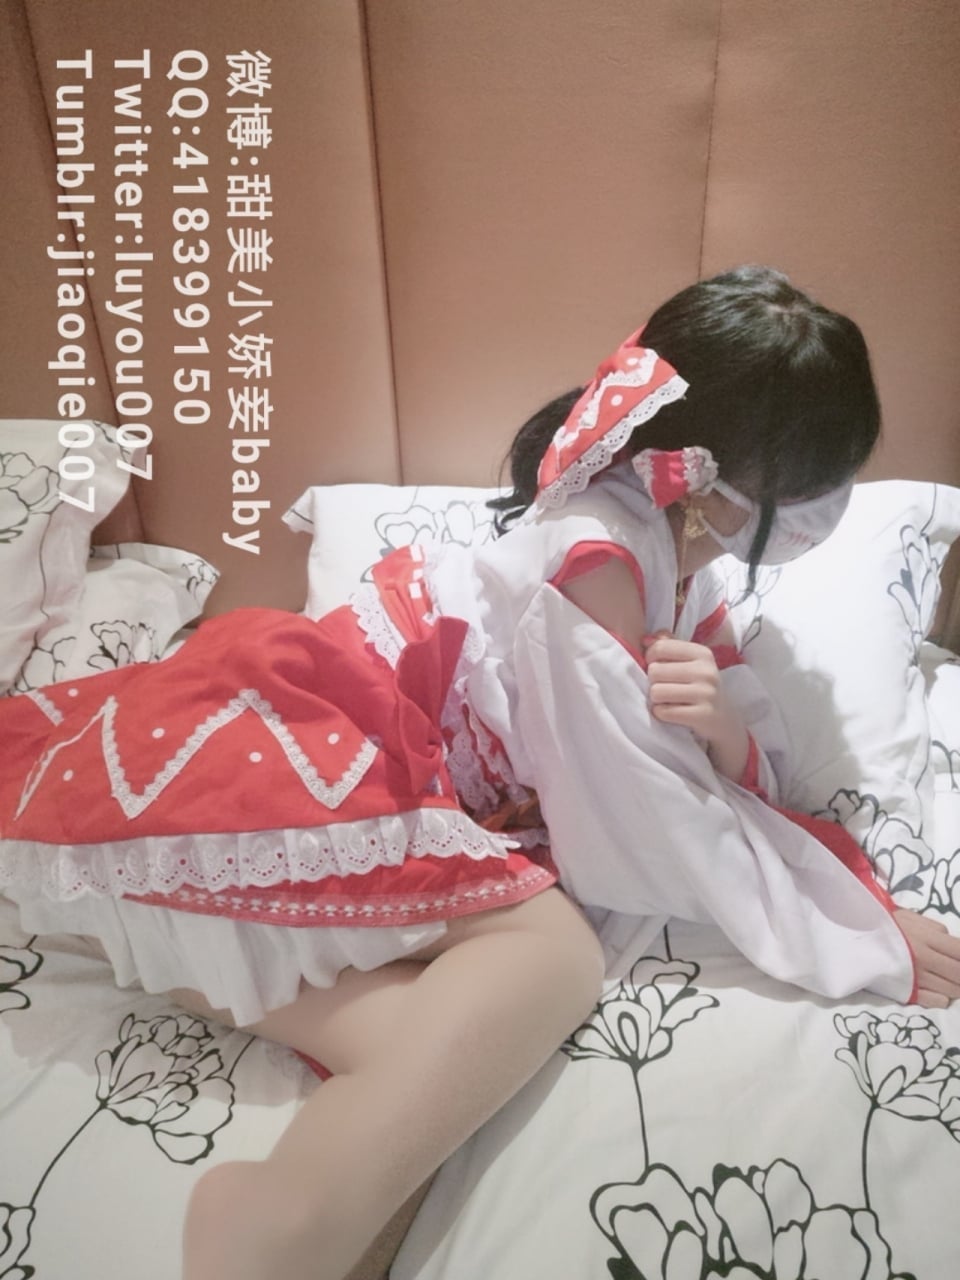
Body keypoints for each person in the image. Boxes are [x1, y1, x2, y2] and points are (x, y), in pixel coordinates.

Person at [1, 265, 958, 1280]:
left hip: (339, 758)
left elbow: (694, 750)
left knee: (455, 1020)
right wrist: (844, 926)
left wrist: (723, 724)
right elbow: (641, 820)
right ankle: (279, 1218)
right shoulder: (595, 562)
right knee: (551, 959)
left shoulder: (672, 552)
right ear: (717, 475)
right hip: (298, 741)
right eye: (811, 490)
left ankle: (276, 1129)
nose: (825, 512)